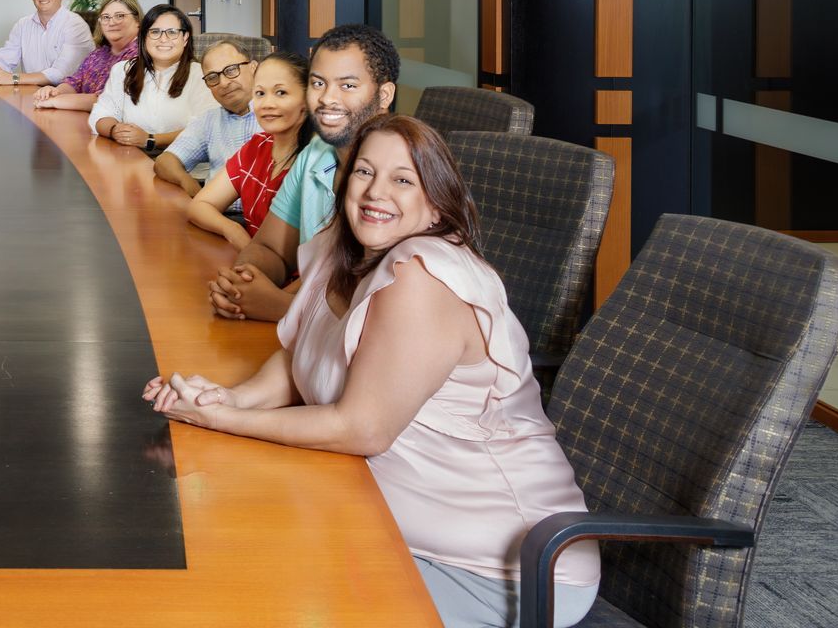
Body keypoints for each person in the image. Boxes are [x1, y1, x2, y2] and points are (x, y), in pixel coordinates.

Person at [146, 115, 599, 627]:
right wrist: (227, 399)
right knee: (235, 556)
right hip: (382, 518)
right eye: (364, 173)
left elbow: (363, 427)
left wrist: (220, 421)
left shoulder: (423, 277)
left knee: (261, 597)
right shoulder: (342, 249)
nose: (375, 192)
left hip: (500, 566)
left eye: (403, 180)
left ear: (435, 204)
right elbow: (303, 355)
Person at [208, 23, 399, 323]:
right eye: (318, 83)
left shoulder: (403, 171)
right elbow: (271, 247)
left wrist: (281, 308)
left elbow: (379, 309)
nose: (326, 99)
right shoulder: (315, 154)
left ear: (384, 94)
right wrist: (243, 280)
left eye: (347, 85)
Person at [183, 50, 313, 252]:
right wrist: (233, 230)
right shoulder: (257, 146)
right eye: (260, 93)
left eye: (281, 93)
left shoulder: (318, 161)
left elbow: (325, 264)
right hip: (254, 266)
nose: (267, 104)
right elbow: (199, 206)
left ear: (307, 98)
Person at [88, 3, 214, 151]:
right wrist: (114, 129)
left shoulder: (201, 75)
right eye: (155, 32)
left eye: (172, 32)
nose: (163, 39)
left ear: (185, 38)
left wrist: (150, 140)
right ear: (144, 37)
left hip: (187, 165)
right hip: (131, 158)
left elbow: (205, 129)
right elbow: (100, 115)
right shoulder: (123, 70)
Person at [156, 40, 260, 195]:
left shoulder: (277, 115)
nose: (223, 83)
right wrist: (194, 190)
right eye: (212, 77)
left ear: (253, 68)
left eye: (231, 70)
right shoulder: (209, 121)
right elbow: (165, 161)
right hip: (213, 211)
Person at [32, 0, 140, 111]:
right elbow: (75, 81)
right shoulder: (98, 53)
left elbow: (107, 100)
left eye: (120, 16)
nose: (112, 22)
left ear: (138, 21)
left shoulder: (140, 56)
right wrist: (54, 92)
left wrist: (55, 101)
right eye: (106, 17)